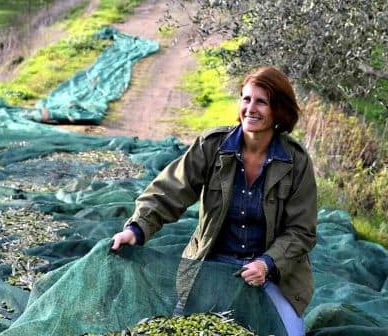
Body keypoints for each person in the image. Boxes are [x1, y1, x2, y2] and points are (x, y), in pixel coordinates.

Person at [111, 66, 317, 336]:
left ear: (279, 109)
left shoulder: (296, 161)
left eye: (261, 102)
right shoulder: (213, 146)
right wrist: (136, 229)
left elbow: (301, 232)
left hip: (269, 276)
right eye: (246, 99)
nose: (251, 108)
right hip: (210, 268)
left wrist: (267, 263)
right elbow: (169, 190)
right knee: (182, 330)